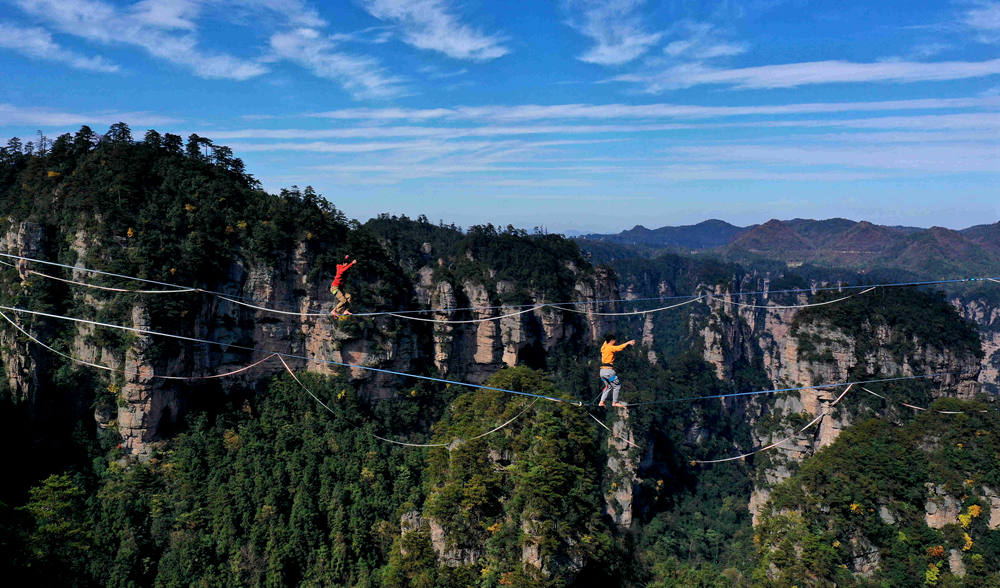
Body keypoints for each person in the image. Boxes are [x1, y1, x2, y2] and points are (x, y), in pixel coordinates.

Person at [599, 333, 635, 408]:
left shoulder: (603, 347)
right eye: (614, 340)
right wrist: (628, 342)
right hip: (609, 371)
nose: (615, 342)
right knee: (617, 386)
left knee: (608, 386)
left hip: (602, 371)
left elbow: (606, 341)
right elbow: (619, 348)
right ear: (611, 341)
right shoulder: (610, 347)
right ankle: (614, 402)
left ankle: (601, 402)